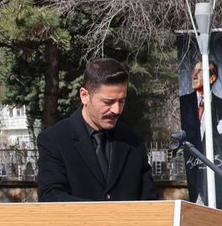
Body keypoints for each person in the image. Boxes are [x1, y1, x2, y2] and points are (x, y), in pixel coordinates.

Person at [37, 56, 159, 202]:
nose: (116, 110)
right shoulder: (55, 140)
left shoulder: (133, 142)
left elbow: (150, 201)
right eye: (108, 102)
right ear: (84, 96)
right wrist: (101, 213)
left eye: (121, 101)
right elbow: (51, 197)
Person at [180, 60, 222, 206]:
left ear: (212, 78)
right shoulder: (184, 102)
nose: (195, 75)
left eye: (200, 71)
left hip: (214, 174)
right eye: (195, 71)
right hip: (192, 174)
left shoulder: (221, 105)